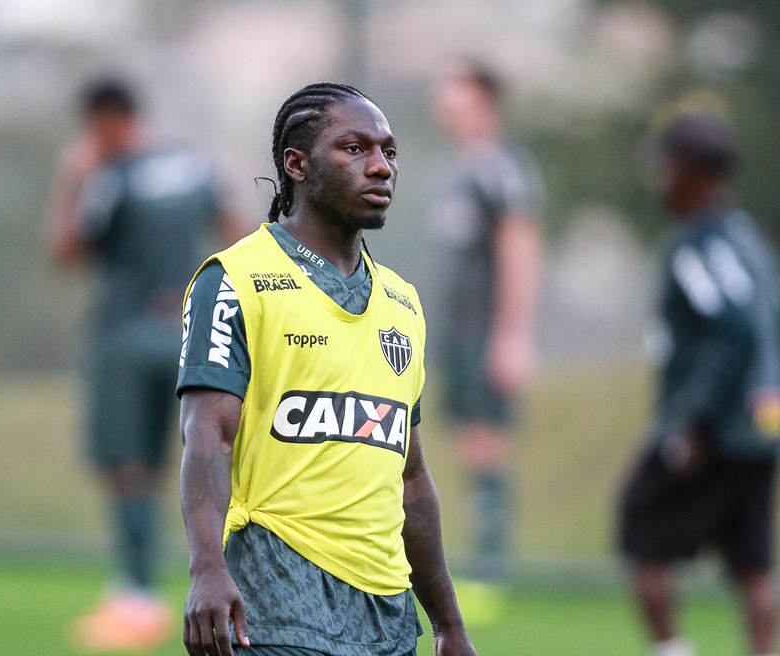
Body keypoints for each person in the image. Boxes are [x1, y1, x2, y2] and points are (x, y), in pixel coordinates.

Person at [176, 82, 478, 656]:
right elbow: (207, 435)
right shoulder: (235, 279)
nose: (381, 167)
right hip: (276, 596)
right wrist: (206, 569)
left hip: (386, 614)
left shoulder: (402, 303)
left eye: (389, 152)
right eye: (355, 149)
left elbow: (411, 477)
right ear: (297, 165)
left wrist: (448, 624)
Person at [46, 76, 244, 651]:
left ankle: (136, 599)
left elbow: (65, 250)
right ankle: (228, 585)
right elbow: (239, 230)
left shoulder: (109, 173)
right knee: (208, 455)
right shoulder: (193, 165)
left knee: (130, 467)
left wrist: (72, 175)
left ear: (103, 121)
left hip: (127, 335)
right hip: (189, 335)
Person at [617, 110, 780, 656]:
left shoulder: (698, 247)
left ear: (691, 172)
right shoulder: (747, 239)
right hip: (759, 425)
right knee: (751, 562)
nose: (659, 178)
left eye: (666, 165)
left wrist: (687, 420)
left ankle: (672, 650)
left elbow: (729, 331)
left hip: (715, 428)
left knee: (640, 529)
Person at [427, 60, 543, 582]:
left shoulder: (501, 166)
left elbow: (520, 244)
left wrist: (512, 334)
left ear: (483, 101)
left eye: (459, 92)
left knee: (487, 439)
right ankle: (480, 559)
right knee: (467, 439)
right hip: (458, 328)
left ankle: (492, 566)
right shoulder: (461, 166)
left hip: (486, 329)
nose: (447, 101)